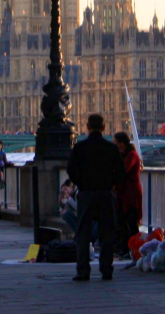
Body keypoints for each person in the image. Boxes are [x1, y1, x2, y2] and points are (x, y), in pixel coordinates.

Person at [66, 114, 125, 281]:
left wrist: (81, 183)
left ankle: (83, 270)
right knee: (107, 234)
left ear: (87, 127)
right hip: (105, 194)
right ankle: (106, 269)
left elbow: (71, 170)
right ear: (104, 127)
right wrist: (112, 185)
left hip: (86, 194)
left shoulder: (79, 147)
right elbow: (121, 172)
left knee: (83, 234)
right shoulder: (111, 148)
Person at [112, 132, 142, 257]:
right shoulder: (123, 154)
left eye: (115, 142)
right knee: (121, 221)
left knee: (131, 221)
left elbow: (123, 171)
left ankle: (135, 249)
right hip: (123, 193)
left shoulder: (132, 155)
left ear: (122, 143)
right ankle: (125, 249)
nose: (114, 144)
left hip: (131, 194)